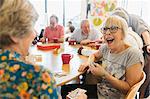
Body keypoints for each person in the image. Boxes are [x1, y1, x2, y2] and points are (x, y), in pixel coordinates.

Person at [0, 0, 87, 98]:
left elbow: (62, 39)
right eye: (31, 28)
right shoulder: (37, 77)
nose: (35, 33)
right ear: (14, 34)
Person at [78, 15, 144, 98]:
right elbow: (94, 55)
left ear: (123, 32)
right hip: (100, 91)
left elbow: (129, 90)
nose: (107, 33)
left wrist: (105, 75)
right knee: (64, 90)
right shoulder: (105, 48)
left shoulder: (133, 54)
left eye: (113, 28)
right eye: (105, 29)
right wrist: (88, 63)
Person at [112, 7, 150, 98]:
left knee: (143, 80)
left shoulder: (134, 19)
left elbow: (144, 32)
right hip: (139, 49)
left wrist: (148, 44)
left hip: (146, 49)